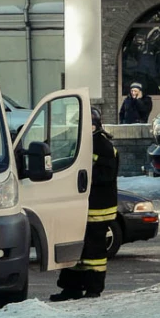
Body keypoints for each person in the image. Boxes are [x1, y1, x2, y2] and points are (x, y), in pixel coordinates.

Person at [50, 107, 119, 302]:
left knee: (94, 251)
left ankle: (93, 289)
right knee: (75, 250)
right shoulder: (84, 145)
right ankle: (71, 289)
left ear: (93, 126)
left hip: (98, 208)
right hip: (82, 206)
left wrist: (80, 178)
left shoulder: (103, 146)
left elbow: (106, 176)